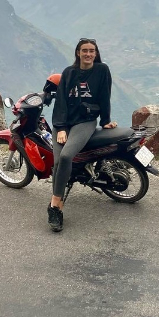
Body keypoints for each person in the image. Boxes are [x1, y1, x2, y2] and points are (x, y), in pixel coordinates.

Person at [47, 38, 117, 232]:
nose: (88, 54)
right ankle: (57, 207)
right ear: (78, 53)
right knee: (58, 162)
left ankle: (54, 204)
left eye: (91, 51)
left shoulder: (102, 70)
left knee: (67, 155)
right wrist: (60, 128)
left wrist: (105, 121)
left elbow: (105, 96)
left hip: (85, 122)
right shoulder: (69, 73)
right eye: (84, 50)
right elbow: (60, 100)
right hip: (64, 123)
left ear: (96, 53)